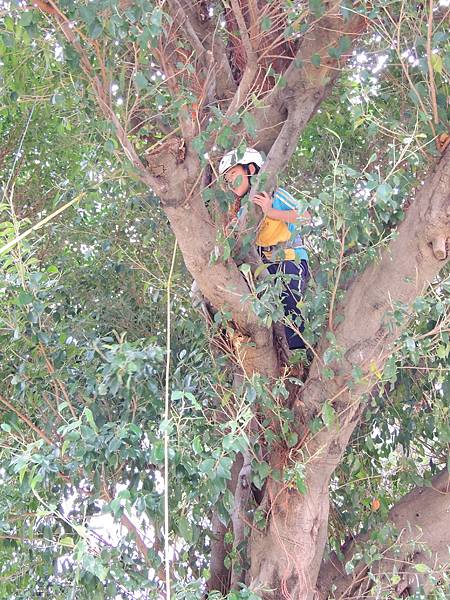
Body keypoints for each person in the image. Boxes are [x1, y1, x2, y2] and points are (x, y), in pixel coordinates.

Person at [218, 148, 310, 350]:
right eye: (227, 179)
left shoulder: (275, 195)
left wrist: (271, 211)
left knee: (290, 307)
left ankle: (298, 356)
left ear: (250, 169)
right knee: (268, 314)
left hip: (289, 259)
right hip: (265, 266)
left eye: (233, 174)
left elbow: (306, 217)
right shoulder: (244, 210)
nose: (229, 182)